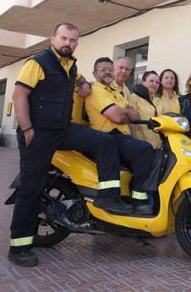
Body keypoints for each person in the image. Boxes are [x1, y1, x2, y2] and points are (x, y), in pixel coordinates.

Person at [8, 23, 131, 267]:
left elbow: (77, 77)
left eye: (73, 40)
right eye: (63, 38)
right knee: (32, 188)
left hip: (62, 129)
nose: (68, 43)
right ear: (52, 38)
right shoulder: (38, 63)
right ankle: (18, 247)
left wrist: (84, 83)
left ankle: (107, 197)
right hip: (38, 133)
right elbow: (18, 95)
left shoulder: (70, 64)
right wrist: (28, 129)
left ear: (77, 43)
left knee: (104, 141)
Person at [86, 57, 156, 215]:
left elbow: (134, 114)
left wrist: (122, 112)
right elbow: (118, 118)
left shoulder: (113, 92)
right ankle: (138, 200)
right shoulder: (95, 90)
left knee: (148, 152)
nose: (108, 72)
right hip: (109, 136)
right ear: (94, 73)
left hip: (121, 136)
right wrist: (124, 112)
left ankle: (132, 196)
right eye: (103, 69)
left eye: (110, 69)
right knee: (144, 149)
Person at [129, 71, 163, 148]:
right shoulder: (134, 98)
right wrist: (135, 142)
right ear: (143, 82)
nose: (154, 84)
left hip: (157, 144)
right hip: (141, 143)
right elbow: (131, 122)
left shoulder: (158, 101)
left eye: (157, 82)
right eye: (151, 81)